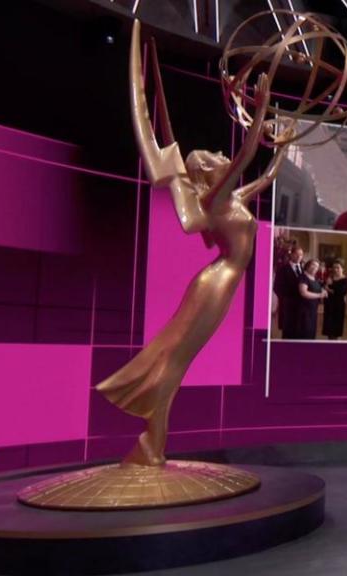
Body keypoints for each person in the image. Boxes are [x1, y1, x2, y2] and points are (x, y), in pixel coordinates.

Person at [97, 21, 290, 466]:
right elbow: (244, 157)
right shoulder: (215, 196)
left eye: (219, 155)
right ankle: (151, 439)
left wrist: (279, 144)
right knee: (177, 358)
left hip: (223, 280)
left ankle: (152, 441)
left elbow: (265, 173)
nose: (223, 157)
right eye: (214, 158)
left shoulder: (233, 197)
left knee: (178, 358)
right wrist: (258, 111)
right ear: (207, 172)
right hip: (217, 281)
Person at [274, 245, 304, 339]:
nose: (299, 257)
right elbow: (277, 287)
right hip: (288, 306)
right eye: (297, 254)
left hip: (301, 307)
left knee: (299, 332)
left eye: (301, 255)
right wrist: (285, 299)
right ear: (291, 255)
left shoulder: (304, 269)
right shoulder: (283, 269)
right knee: (288, 333)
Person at [298, 259, 327, 340]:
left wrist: (323, 291)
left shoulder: (315, 278)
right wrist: (319, 295)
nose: (315, 267)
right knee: (305, 333)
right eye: (313, 265)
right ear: (307, 266)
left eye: (317, 266)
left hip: (313, 310)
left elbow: (318, 288)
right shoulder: (303, 277)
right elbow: (303, 293)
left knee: (311, 333)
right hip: (304, 310)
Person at [322, 258, 347, 340]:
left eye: (338, 267)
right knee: (329, 327)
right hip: (329, 305)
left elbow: (341, 292)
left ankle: (337, 344)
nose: (335, 269)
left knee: (337, 327)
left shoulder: (345, 280)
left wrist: (329, 289)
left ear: (342, 269)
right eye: (334, 267)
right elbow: (323, 288)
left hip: (339, 306)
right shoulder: (329, 278)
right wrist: (329, 288)